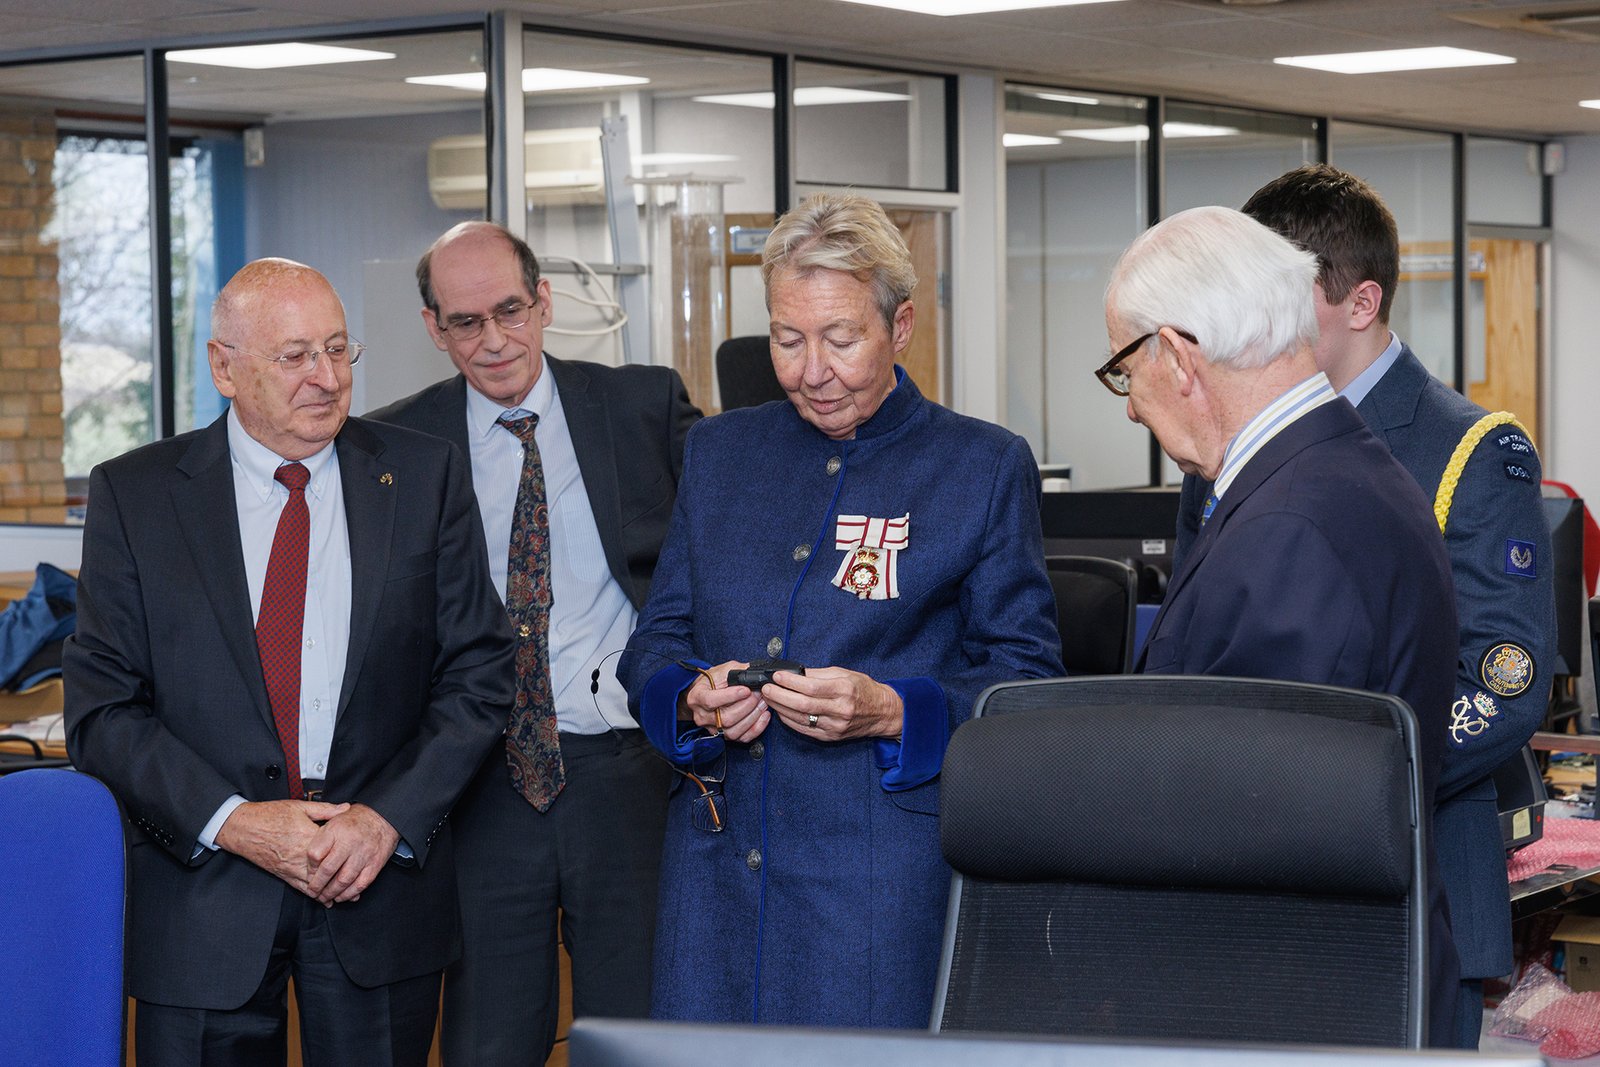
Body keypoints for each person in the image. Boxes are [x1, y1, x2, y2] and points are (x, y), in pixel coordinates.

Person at [620, 191, 1063, 1028]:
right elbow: (657, 637)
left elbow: (1025, 680)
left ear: (899, 329)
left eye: (841, 339)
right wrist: (688, 696)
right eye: (788, 340)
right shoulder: (718, 452)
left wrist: (895, 708)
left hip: (875, 887)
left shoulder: (981, 466)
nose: (810, 370)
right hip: (715, 871)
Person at [63, 258, 515, 1067]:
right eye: (296, 355)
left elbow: (479, 672)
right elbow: (102, 711)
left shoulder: (420, 475)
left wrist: (385, 820)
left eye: (340, 351)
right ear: (223, 366)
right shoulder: (136, 496)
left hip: (377, 887)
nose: (327, 378)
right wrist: (235, 821)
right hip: (202, 898)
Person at [1173, 165, 1556, 1047]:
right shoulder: (1228, 441)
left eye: (1281, 294)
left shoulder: (1467, 446)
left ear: (1360, 301)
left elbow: (1505, 681)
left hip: (1410, 864)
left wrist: (1346, 783)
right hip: (1245, 871)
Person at [1101, 205, 1463, 1044]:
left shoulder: (1290, 530)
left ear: (1180, 356)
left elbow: (1246, 822)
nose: (1129, 408)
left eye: (1126, 370)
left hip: (1290, 1001)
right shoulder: (1340, 475)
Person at [368, 221, 700, 1065]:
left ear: (545, 302)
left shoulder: (641, 406)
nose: (494, 340)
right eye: (466, 322)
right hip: (481, 783)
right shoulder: (392, 449)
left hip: (625, 769)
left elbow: (731, 539)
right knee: (489, 1037)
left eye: (510, 310)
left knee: (635, 1036)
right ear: (434, 329)